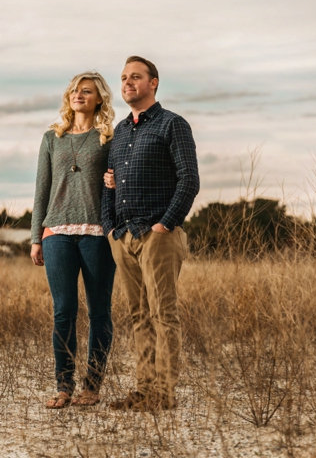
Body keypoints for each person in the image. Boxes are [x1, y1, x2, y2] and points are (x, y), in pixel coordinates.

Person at [101, 56, 200, 411]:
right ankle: (143, 390)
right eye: (124, 78)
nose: (128, 83)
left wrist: (164, 225)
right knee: (138, 315)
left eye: (136, 77)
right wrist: (110, 227)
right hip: (123, 236)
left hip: (159, 235)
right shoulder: (121, 131)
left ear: (153, 82)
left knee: (163, 315)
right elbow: (108, 184)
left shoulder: (173, 125)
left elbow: (189, 180)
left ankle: (164, 394)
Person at [30, 71, 117, 409]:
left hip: (97, 234)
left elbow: (117, 182)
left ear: (99, 99)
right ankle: (63, 385)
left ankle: (92, 386)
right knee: (63, 311)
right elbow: (41, 190)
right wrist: (37, 236)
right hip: (57, 235)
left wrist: (114, 182)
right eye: (75, 90)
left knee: (99, 312)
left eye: (87, 91)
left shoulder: (109, 137)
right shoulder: (52, 137)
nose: (79, 95)